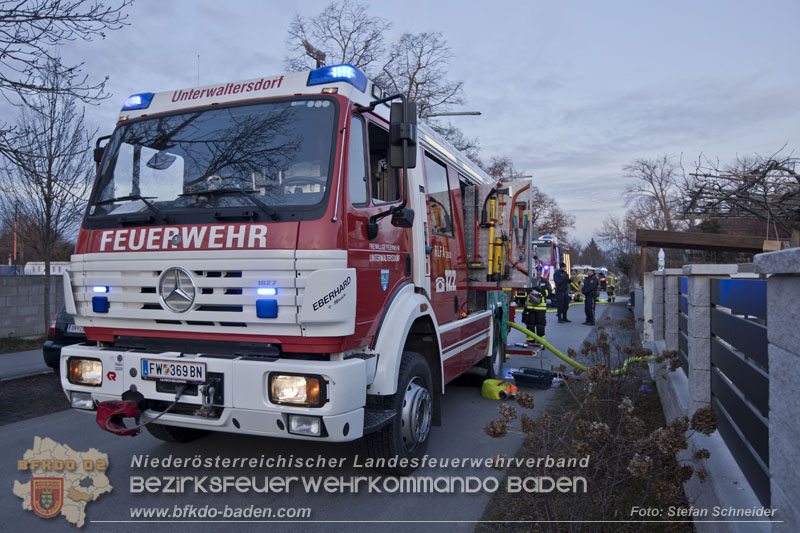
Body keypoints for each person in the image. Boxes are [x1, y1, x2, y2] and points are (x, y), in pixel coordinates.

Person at [523, 274, 551, 344]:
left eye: (539, 271)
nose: (537, 273)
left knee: (540, 325)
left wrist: (542, 291)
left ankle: (541, 342)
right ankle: (530, 341)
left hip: (541, 308)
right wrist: (530, 290)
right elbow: (525, 290)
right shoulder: (529, 280)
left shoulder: (545, 281)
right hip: (530, 308)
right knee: (530, 325)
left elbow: (549, 292)